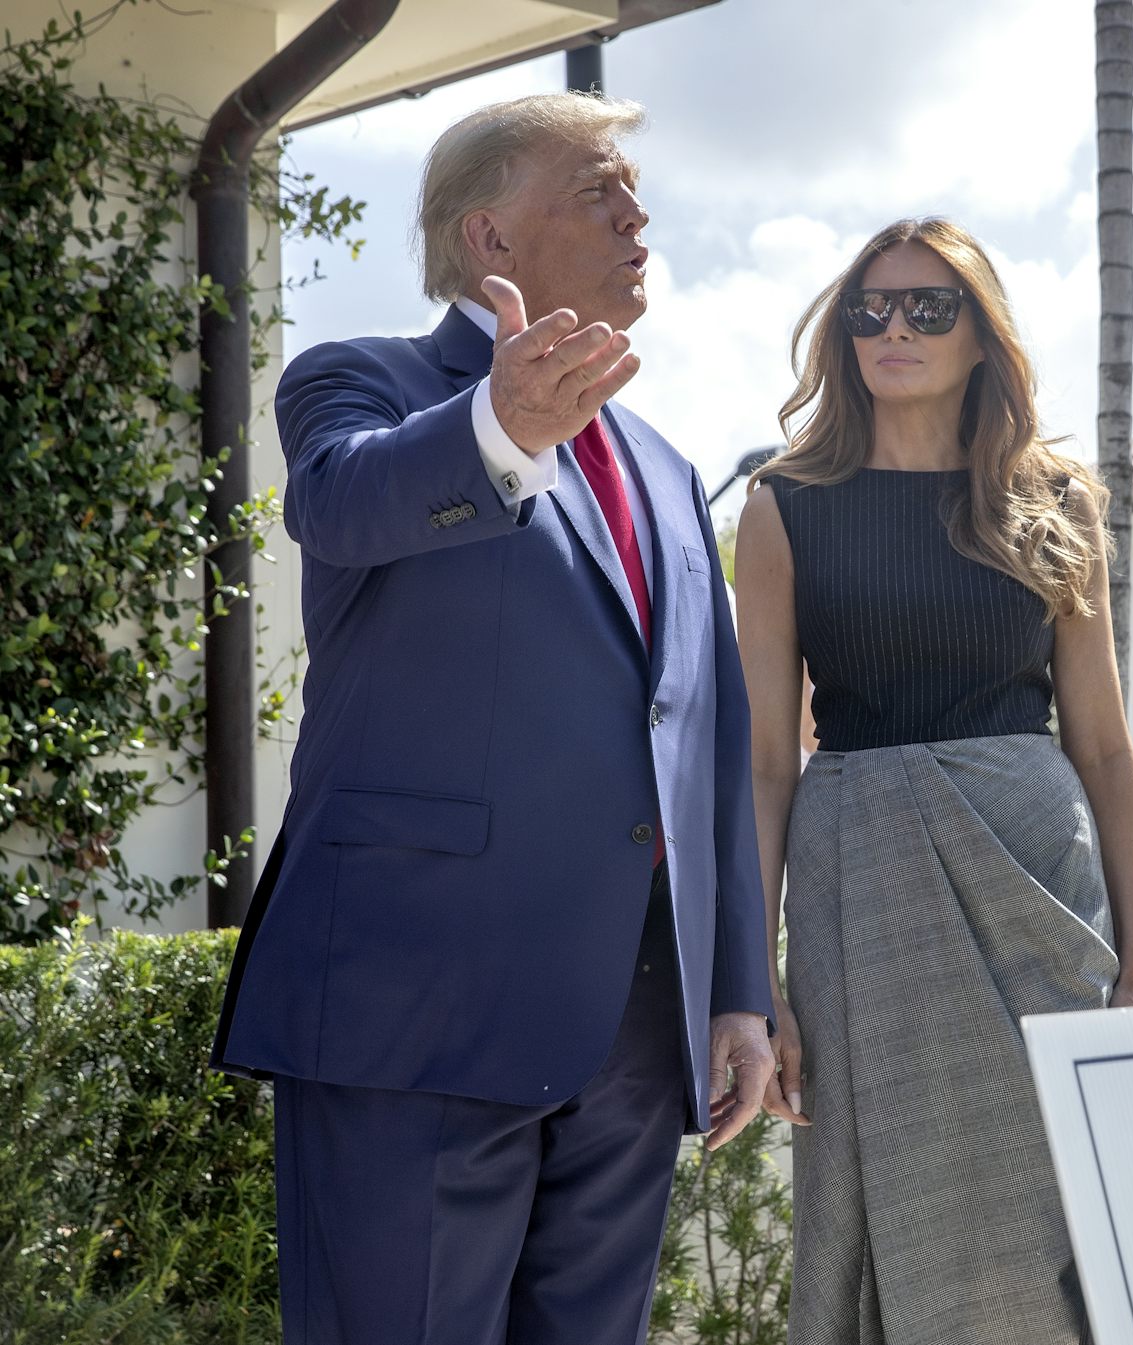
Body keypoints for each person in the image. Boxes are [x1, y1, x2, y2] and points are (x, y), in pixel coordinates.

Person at [209, 93, 775, 1345]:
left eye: (637, 196)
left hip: (632, 1039)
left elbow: (710, 744)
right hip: (415, 1018)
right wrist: (499, 429)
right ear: (490, 239)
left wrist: (737, 988)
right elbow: (344, 503)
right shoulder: (363, 381)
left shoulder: (674, 473)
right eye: (600, 192)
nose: (640, 217)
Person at [733, 217, 1133, 1345]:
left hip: (1043, 893)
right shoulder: (782, 509)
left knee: (1058, 1200)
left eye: (929, 307)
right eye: (869, 308)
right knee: (884, 1187)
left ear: (983, 338)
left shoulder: (1058, 502)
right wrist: (758, 973)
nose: (894, 328)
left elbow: (1106, 746)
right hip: (859, 897)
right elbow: (769, 762)